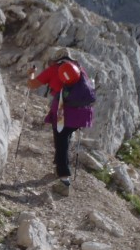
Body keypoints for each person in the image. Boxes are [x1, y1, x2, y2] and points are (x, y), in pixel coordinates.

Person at [27, 48, 95, 195]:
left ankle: (64, 181)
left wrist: (31, 73)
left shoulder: (53, 70)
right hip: (83, 113)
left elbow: (32, 85)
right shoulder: (79, 69)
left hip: (63, 113)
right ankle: (58, 167)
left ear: (55, 59)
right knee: (65, 138)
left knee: (61, 141)